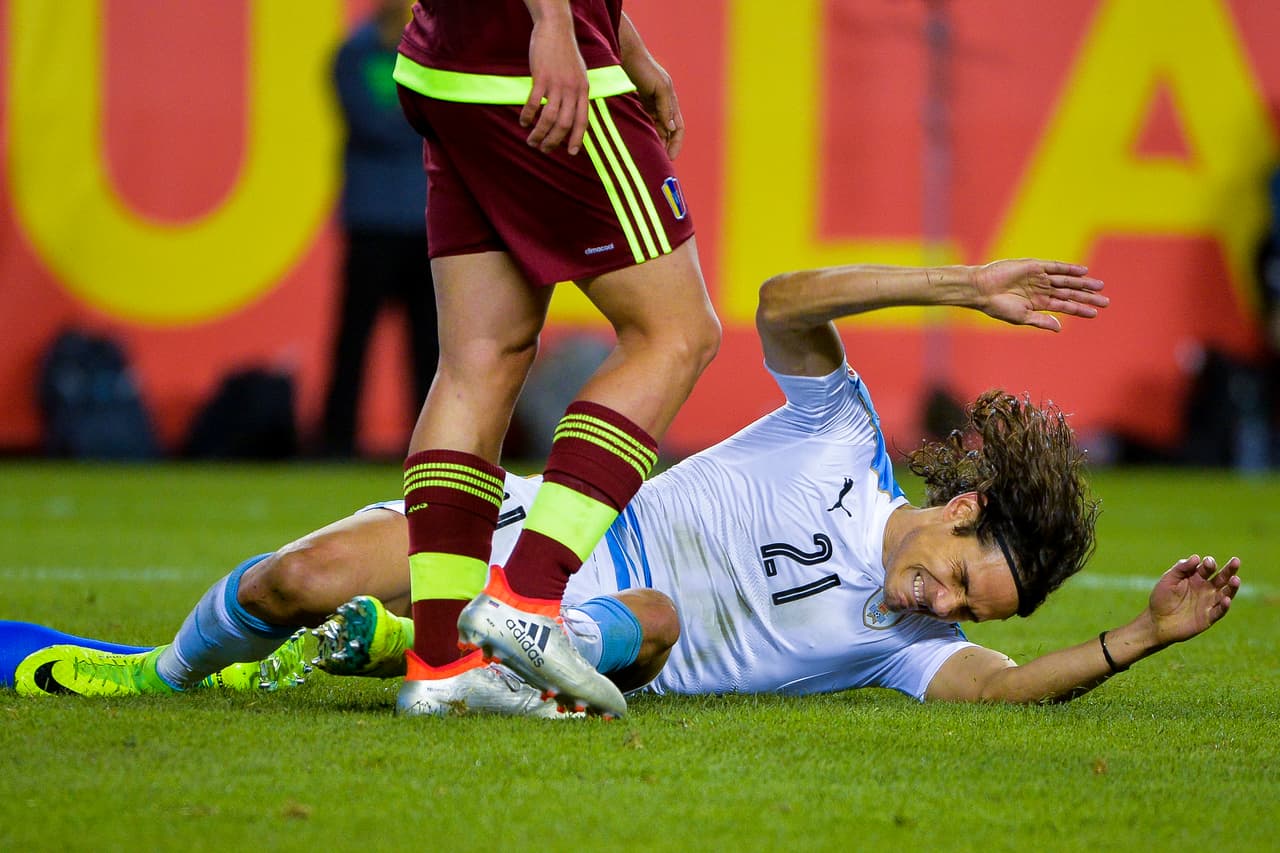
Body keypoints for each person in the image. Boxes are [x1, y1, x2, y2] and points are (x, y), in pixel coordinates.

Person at [8, 257, 1243, 711]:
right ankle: (160, 675)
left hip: (614, 644)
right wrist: (958, 286)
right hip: (554, 530)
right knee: (296, 578)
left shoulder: (896, 651)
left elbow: (1009, 684)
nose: (941, 609)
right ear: (960, 511)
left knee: (654, 617)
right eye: (961, 582)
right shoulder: (843, 437)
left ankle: (456, 653)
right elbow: (779, 304)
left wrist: (1139, 635)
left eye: (964, 616)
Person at [386, 1, 720, 718]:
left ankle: (441, 665)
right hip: (527, 56)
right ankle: (528, 600)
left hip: (449, 65)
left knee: (479, 359)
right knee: (675, 333)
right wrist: (557, 28)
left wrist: (626, 46)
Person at [319, 0, 438, 458]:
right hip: (373, 222)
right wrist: (421, 119)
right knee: (354, 337)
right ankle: (336, 442)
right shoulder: (354, 53)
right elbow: (372, 122)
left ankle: (431, 445)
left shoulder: (428, 50)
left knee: (429, 343)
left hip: (424, 221)